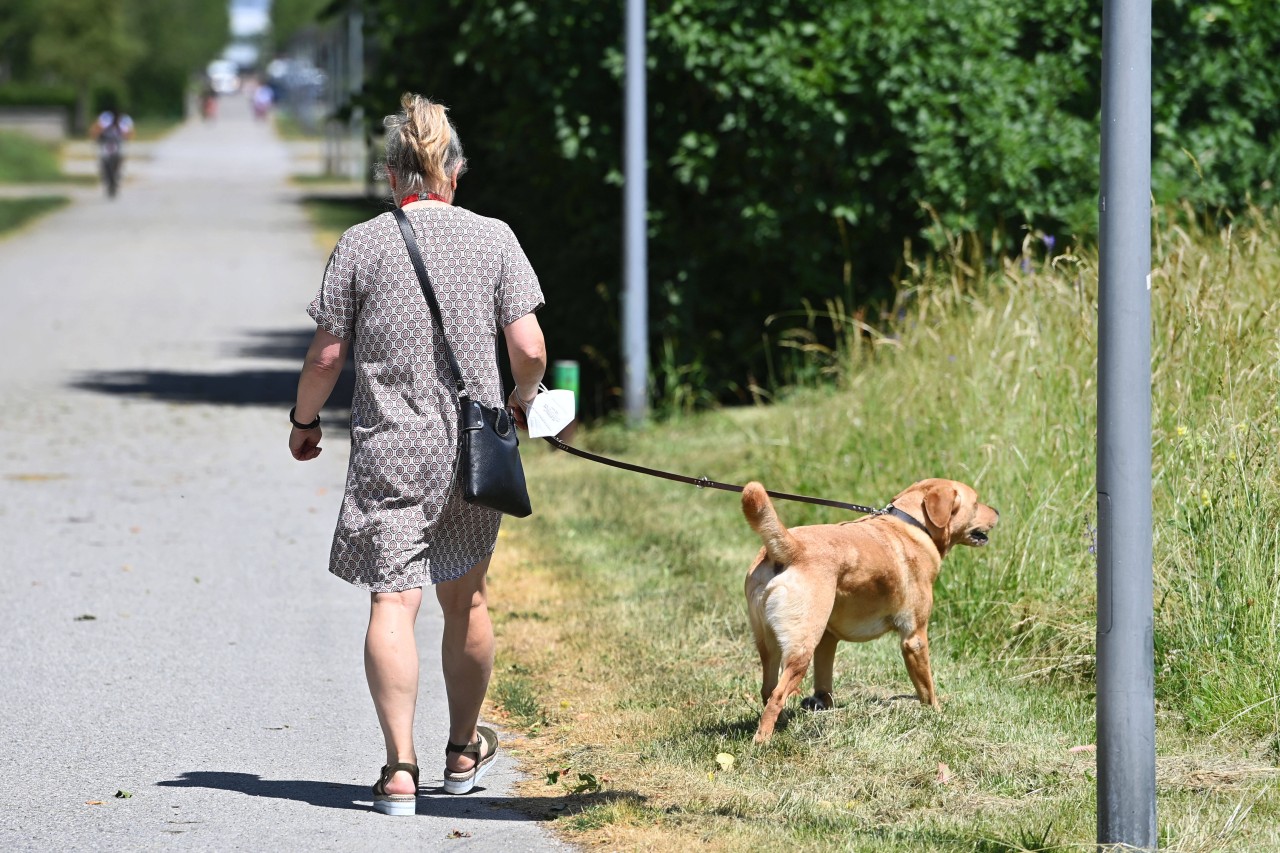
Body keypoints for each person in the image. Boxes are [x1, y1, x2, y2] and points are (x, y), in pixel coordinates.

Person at [288, 93, 547, 815]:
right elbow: (528, 346)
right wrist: (525, 398)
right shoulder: (495, 237)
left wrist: (303, 419)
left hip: (390, 452)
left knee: (392, 603)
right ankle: (462, 752)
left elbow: (327, 354)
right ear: (453, 173)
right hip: (472, 453)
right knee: (467, 601)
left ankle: (399, 769)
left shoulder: (363, 244)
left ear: (390, 175)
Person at [89, 109, 134, 198]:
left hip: (115, 145)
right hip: (108, 145)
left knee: (116, 161)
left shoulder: (121, 122)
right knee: (106, 162)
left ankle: (113, 177)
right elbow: (95, 132)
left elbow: (129, 134)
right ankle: (110, 177)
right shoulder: (107, 120)